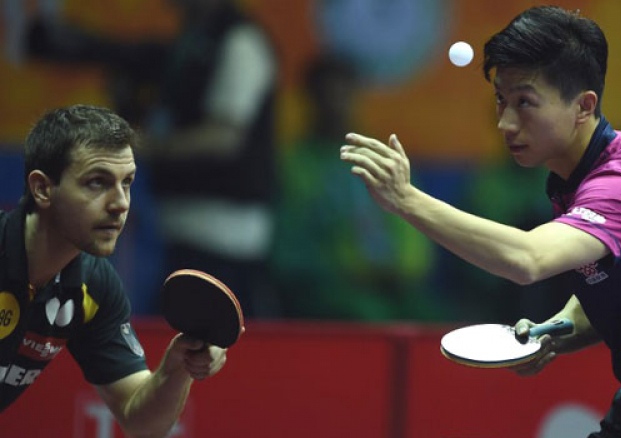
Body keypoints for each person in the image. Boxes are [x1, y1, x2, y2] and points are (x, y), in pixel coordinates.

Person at [340, 6, 621, 437]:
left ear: (583, 106)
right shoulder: (581, 175)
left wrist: (406, 200)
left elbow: (527, 259)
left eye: (525, 102)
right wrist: (555, 332)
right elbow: (612, 275)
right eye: (501, 99)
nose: (505, 122)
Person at [26, 0, 279, 317]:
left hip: (224, 237)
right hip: (173, 227)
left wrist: (142, 144)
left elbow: (223, 137)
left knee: (205, 349)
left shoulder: (239, 41)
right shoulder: (188, 43)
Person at [0, 105, 230, 437]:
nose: (120, 202)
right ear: (42, 189)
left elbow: (142, 423)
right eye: (97, 182)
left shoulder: (95, 287)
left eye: (127, 183)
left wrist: (177, 368)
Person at [272, 55, 436, 320]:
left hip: (396, 286)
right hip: (329, 288)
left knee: (434, 320)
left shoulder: (383, 156)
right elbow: (291, 249)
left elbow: (415, 223)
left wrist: (402, 270)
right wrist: (353, 272)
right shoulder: (294, 164)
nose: (335, 106)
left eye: (343, 95)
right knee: (369, 315)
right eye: (327, 97)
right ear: (310, 100)